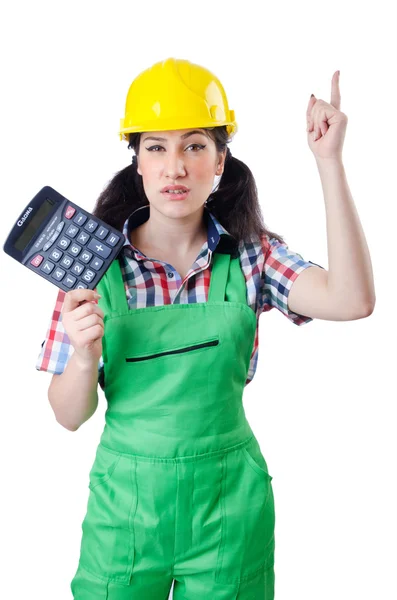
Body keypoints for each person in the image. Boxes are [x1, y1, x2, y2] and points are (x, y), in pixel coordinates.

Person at [36, 57, 370, 599]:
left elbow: (353, 300)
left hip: (228, 513)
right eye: (156, 147)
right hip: (125, 516)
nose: (175, 168)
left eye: (194, 145)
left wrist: (328, 162)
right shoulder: (90, 269)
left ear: (220, 161)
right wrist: (80, 355)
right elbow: (68, 416)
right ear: (137, 163)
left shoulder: (254, 258)